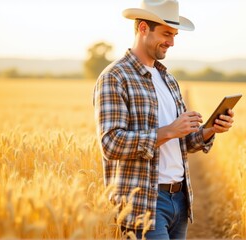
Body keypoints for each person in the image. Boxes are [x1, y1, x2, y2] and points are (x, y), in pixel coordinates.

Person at [93, 0, 235, 239]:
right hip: (143, 204)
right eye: (166, 34)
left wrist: (210, 130)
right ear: (142, 29)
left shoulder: (168, 79)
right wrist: (168, 131)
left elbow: (183, 143)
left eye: (174, 35)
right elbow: (110, 143)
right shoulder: (115, 77)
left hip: (180, 200)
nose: (172, 42)